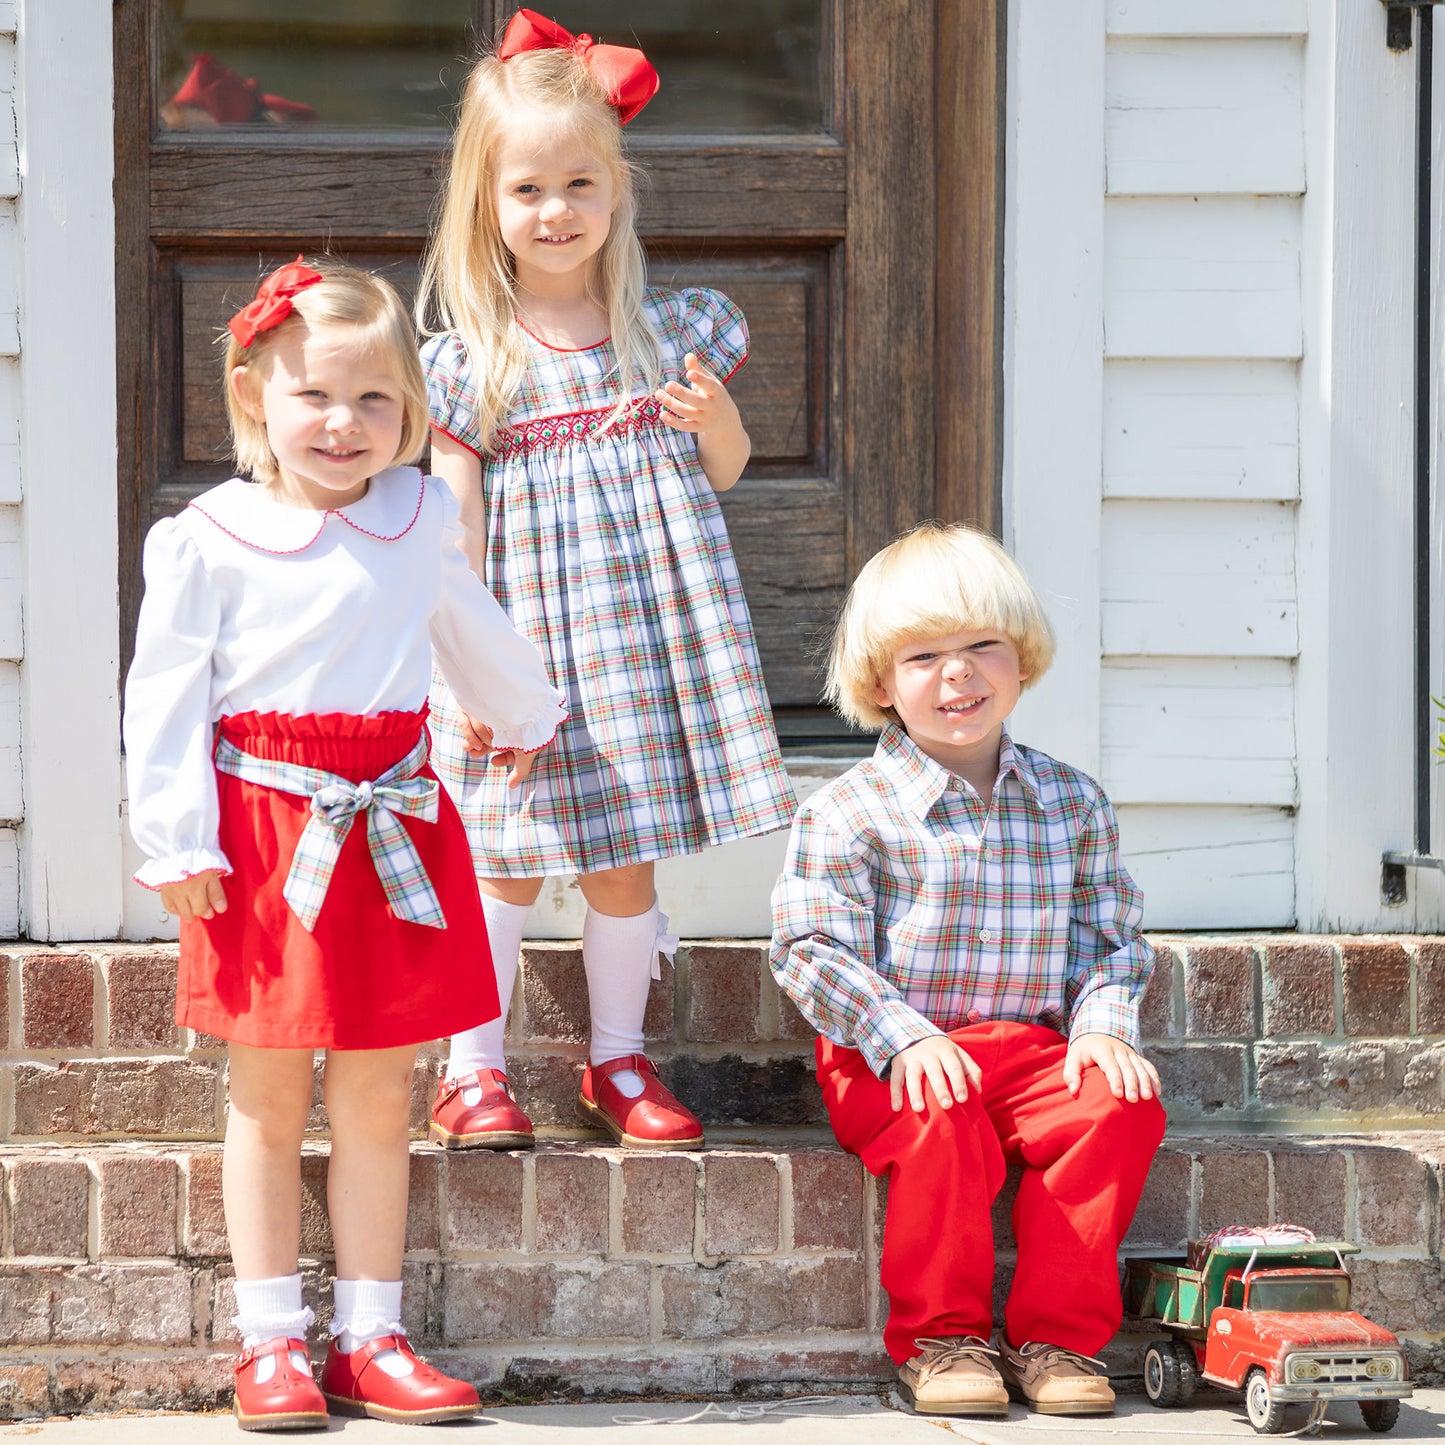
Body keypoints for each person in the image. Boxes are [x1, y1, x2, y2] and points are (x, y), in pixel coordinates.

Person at [123, 257, 567, 1431]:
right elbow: (163, 694)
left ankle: (373, 1332)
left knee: (380, 1097)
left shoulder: (419, 511)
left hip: (396, 828)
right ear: (252, 394)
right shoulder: (210, 535)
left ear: (410, 409)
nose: (343, 422)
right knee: (268, 1099)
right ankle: (269, 1339)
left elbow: (460, 620)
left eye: (375, 399)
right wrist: (174, 838)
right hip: (262, 840)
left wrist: (520, 710)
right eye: (314, 394)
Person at [416, 10, 795, 1154]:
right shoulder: (471, 360)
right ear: (486, 202)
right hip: (520, 641)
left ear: (617, 189)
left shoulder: (661, 335)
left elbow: (720, 472)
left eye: (579, 182)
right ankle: (471, 1067)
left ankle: (618, 1059)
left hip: (635, 640)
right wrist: (472, 668)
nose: (555, 209)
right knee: (502, 860)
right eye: (527, 189)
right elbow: (453, 522)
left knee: (620, 862)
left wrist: (716, 420)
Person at [769, 523, 1165, 1419]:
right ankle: (942, 1337)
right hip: (888, 1056)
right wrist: (899, 1034)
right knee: (939, 1113)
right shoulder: (847, 811)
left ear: (1020, 659)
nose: (958, 674)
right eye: (924, 656)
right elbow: (809, 948)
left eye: (983, 646)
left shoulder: (1069, 800)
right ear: (880, 683)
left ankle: (1056, 1340)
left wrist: (1102, 1023)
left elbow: (1110, 936)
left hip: (1027, 1054)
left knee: (1120, 1101)